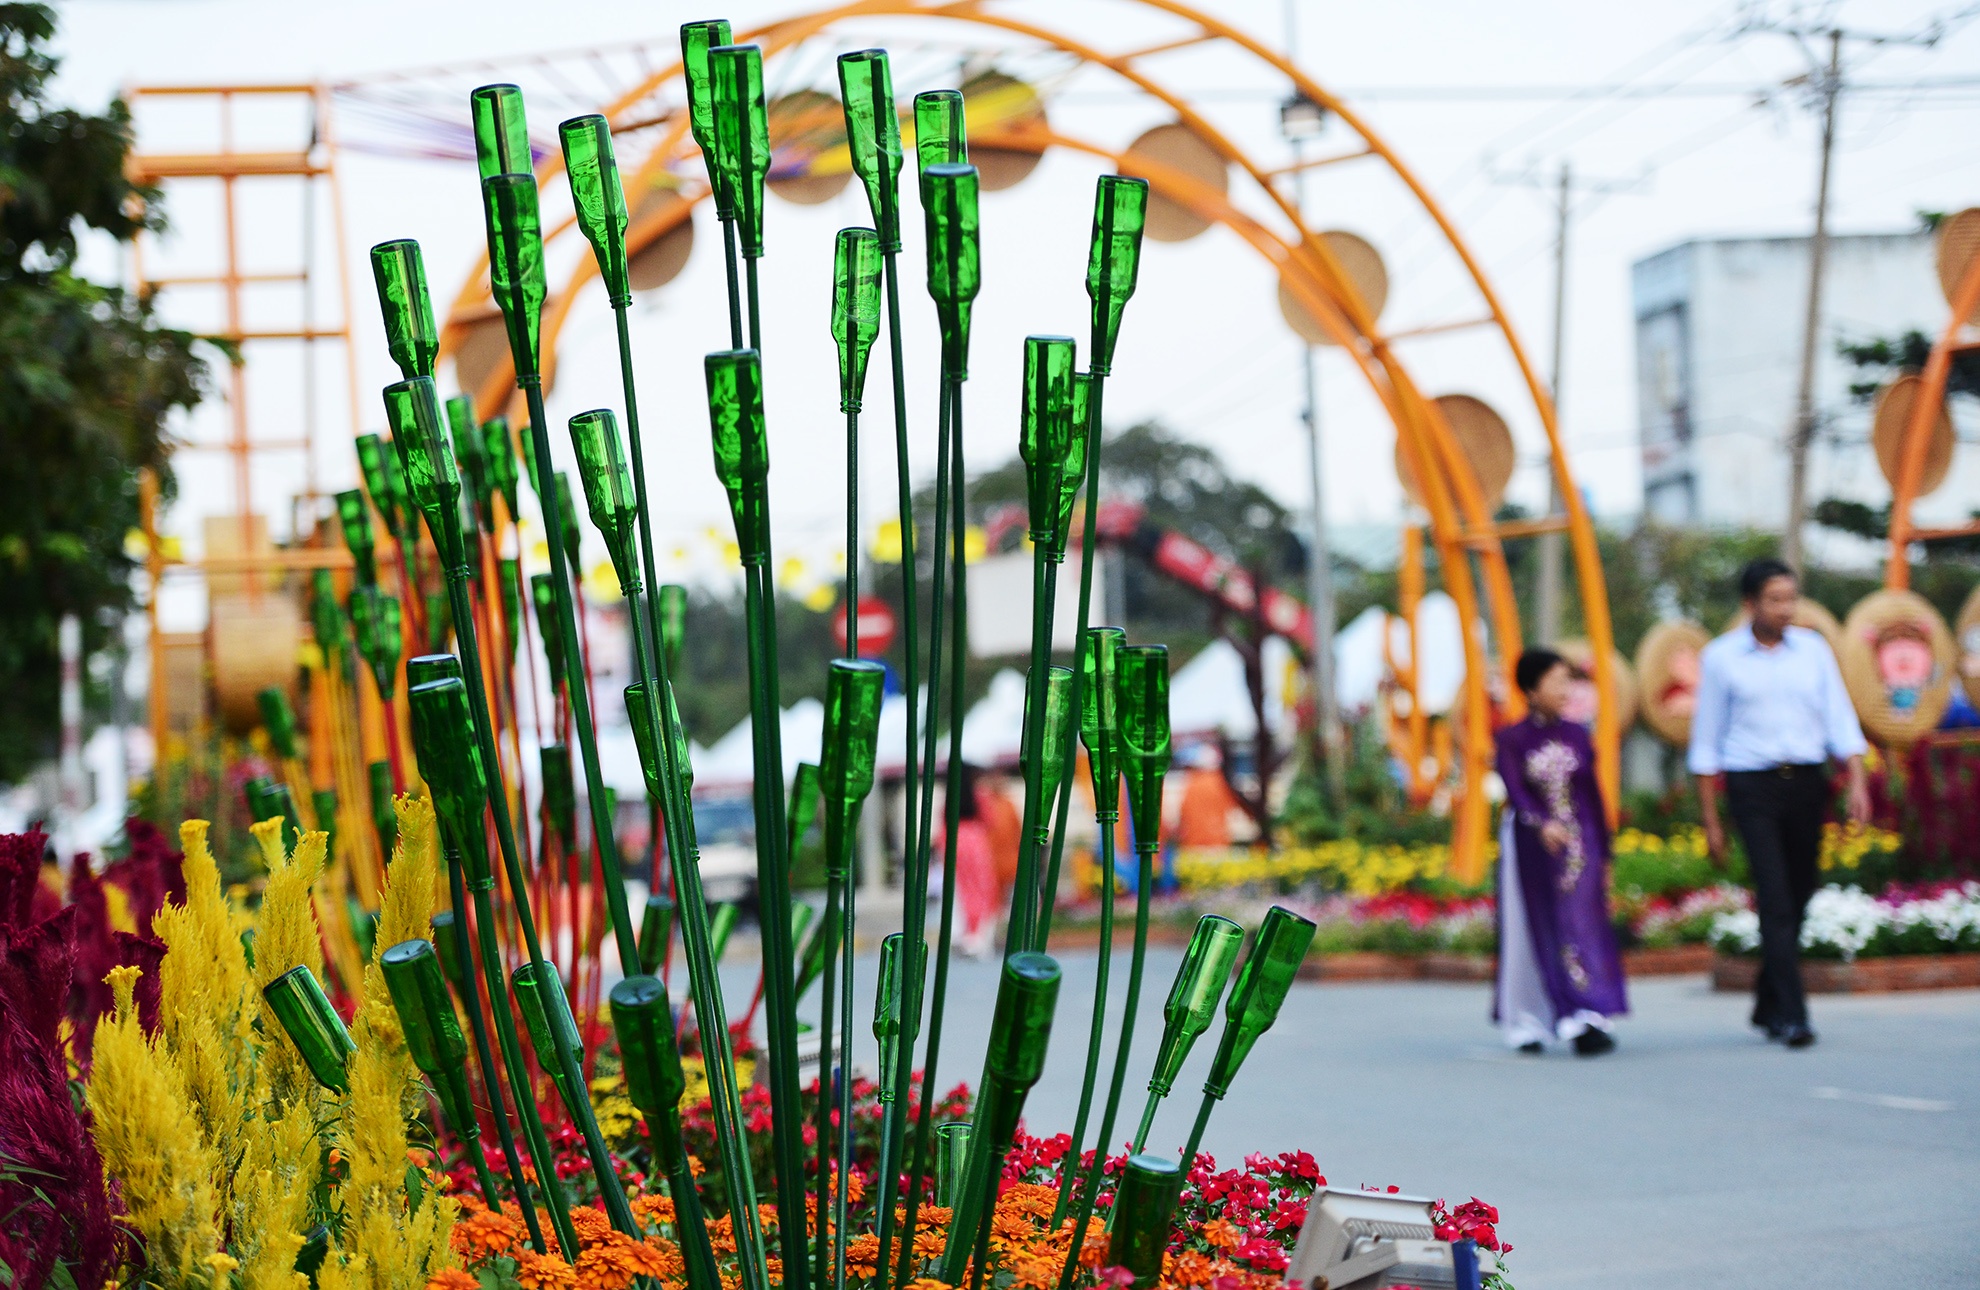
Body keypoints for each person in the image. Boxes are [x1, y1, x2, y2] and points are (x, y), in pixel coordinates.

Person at [1689, 558, 1869, 1049]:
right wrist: (1712, 821)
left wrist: (1856, 781)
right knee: (1775, 897)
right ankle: (1793, 1014)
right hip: (1752, 786)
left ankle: (1768, 996)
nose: (1786, 608)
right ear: (1750, 604)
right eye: (1775, 599)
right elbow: (1706, 743)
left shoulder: (1813, 651)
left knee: (1803, 890)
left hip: (1807, 783)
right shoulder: (1722, 658)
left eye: (1791, 598)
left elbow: (1839, 717)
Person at [1494, 647, 1629, 1056]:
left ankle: (1587, 1015)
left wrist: (1605, 852)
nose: (1565, 690)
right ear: (1531, 690)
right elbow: (1515, 789)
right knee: (1539, 928)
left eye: (1567, 681)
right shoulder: (1512, 739)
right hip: (1534, 847)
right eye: (1555, 682)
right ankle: (1532, 1020)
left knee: (1582, 925)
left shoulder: (1577, 733)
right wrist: (1541, 822)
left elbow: (1592, 793)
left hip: (1581, 844)